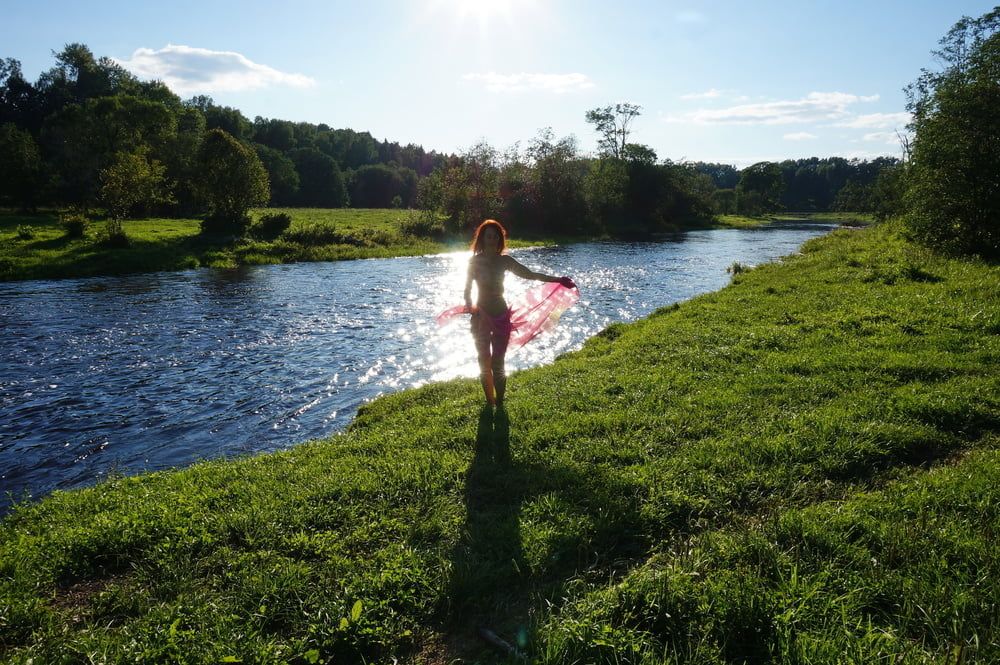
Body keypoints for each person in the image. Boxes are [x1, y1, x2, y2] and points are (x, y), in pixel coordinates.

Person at [464, 219, 575, 408]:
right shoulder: (474, 261)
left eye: (495, 236)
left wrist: (557, 279)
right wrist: (472, 309)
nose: (491, 240)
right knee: (483, 362)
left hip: (500, 316)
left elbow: (530, 274)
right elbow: (467, 291)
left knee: (497, 364)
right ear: (482, 238)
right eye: (487, 236)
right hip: (480, 317)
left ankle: (499, 404)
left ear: (499, 239)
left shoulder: (505, 261)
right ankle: (489, 404)